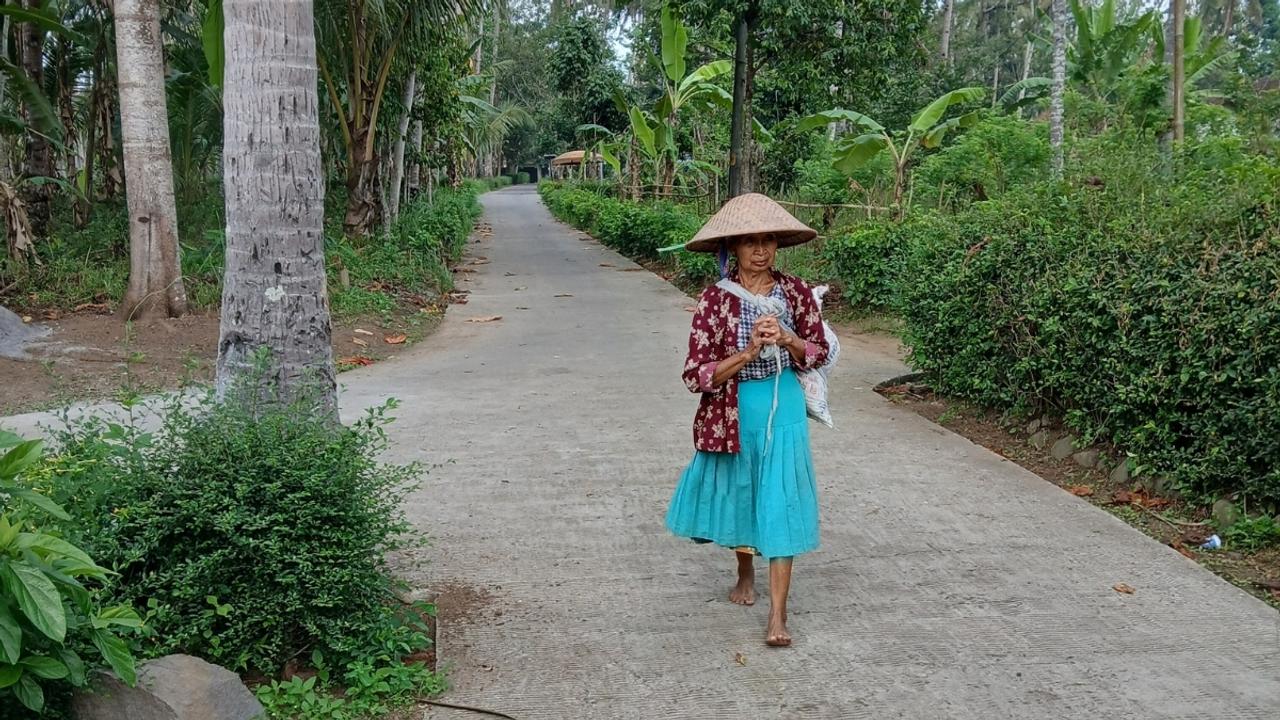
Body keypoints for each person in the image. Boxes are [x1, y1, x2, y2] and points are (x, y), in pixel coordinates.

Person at [665, 193, 830, 647]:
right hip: (735, 410)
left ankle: (778, 616)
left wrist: (790, 339)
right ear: (732, 248)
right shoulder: (715, 301)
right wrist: (749, 352)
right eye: (750, 241)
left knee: (780, 500)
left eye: (769, 240)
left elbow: (819, 352)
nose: (761, 250)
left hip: (785, 407)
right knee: (744, 494)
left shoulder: (795, 292)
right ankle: (744, 571)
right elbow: (696, 375)